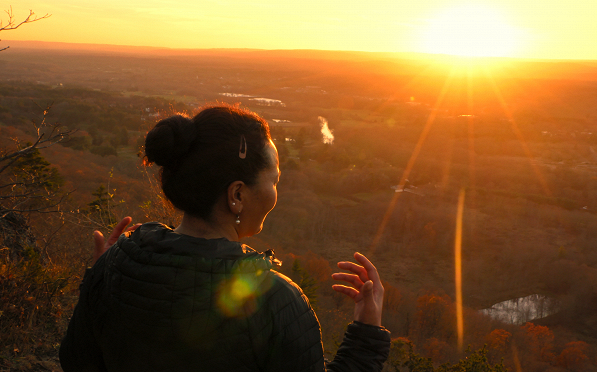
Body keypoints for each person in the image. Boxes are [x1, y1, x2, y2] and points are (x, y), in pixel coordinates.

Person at [59, 105, 391, 371]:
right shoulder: (275, 302)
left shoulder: (115, 267)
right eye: (274, 180)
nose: (277, 192)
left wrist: (100, 278)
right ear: (237, 195)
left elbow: (77, 362)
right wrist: (365, 337)